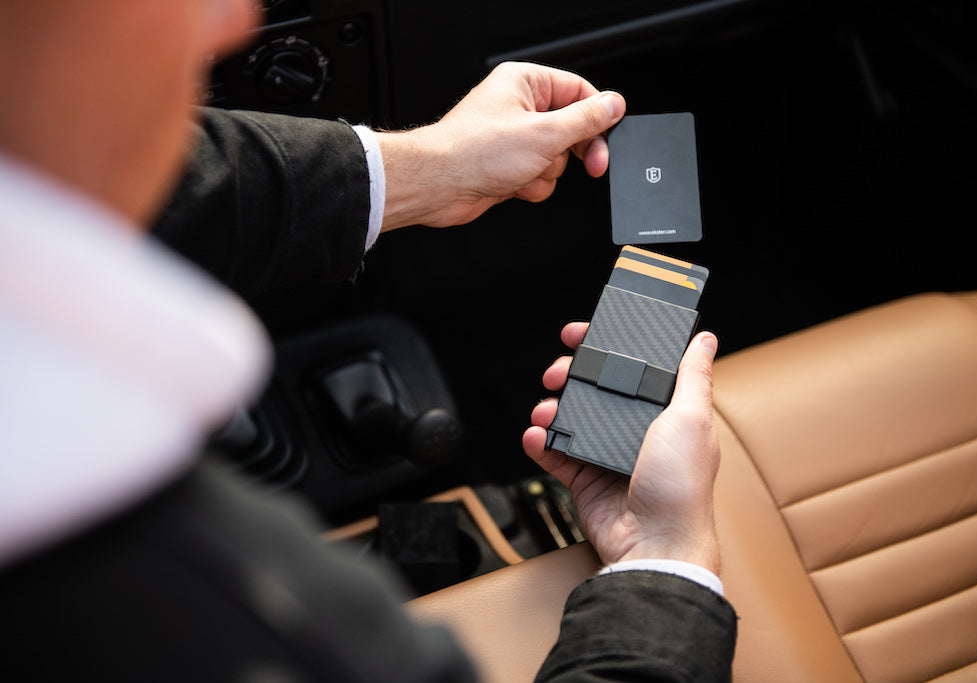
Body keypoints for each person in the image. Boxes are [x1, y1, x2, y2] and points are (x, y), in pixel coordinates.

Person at [0, 0, 736, 680]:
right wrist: (666, 562)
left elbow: (182, 183)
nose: (233, 16)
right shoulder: (257, 634)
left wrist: (429, 167)